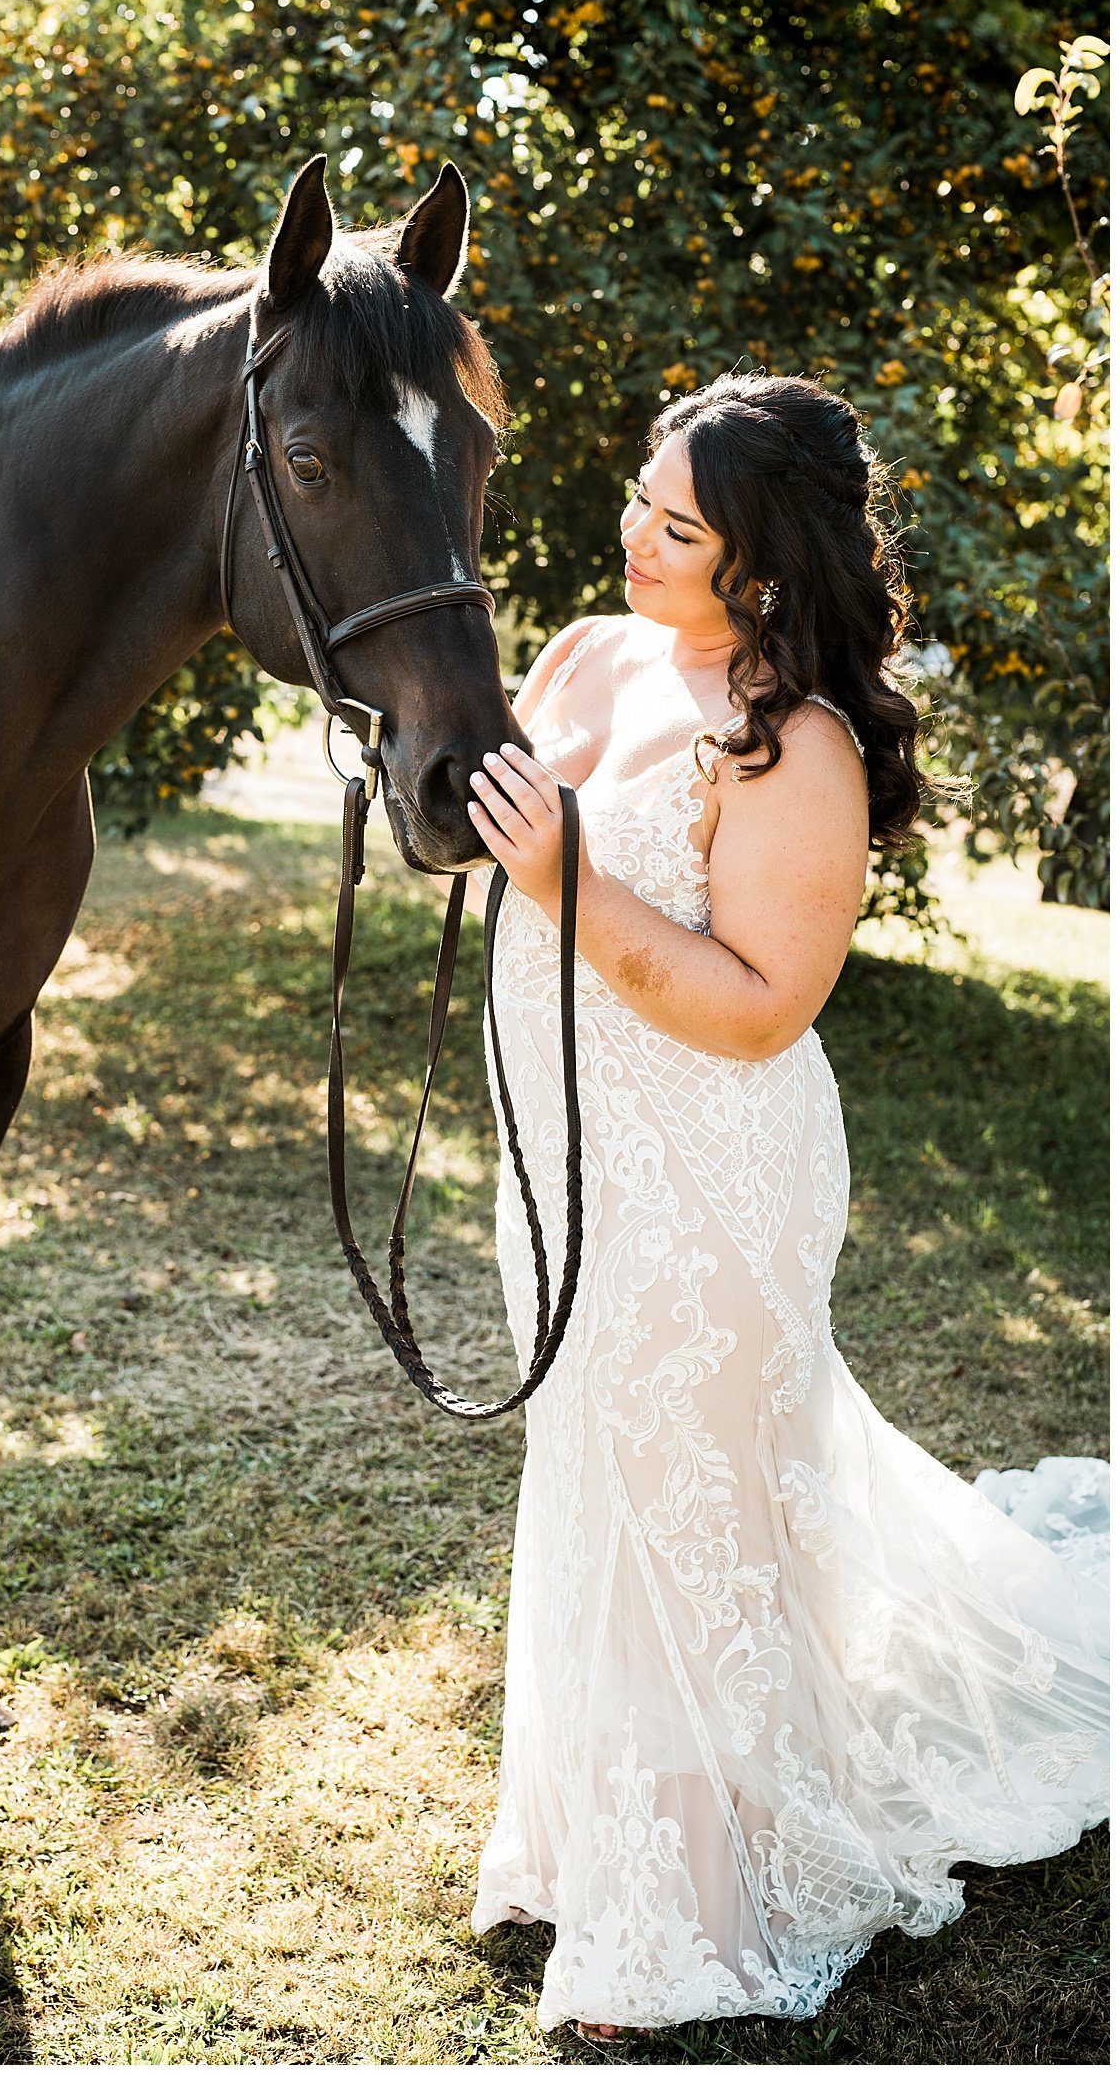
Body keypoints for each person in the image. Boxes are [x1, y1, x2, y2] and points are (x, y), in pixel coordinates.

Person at [463, 372, 1108, 2037]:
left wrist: (566, 882)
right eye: (637, 495)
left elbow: (759, 1006)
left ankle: (685, 1910)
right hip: (567, 1150)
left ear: (759, 567)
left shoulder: (793, 739)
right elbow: (496, 823)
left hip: (707, 1176)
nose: (632, 532)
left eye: (676, 525)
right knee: (596, 1476)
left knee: (691, 1508)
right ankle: (581, 1835)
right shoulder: (592, 654)